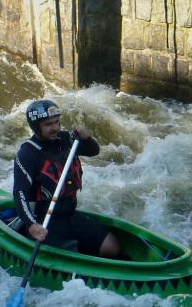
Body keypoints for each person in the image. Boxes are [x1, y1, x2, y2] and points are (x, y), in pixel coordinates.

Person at [12, 99, 120, 258]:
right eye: (48, 124)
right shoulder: (28, 154)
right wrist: (31, 225)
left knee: (112, 247)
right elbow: (19, 193)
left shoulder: (64, 139)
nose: (55, 127)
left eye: (56, 122)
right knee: (52, 260)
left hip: (70, 215)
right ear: (36, 128)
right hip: (47, 220)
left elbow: (93, 151)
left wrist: (86, 138)